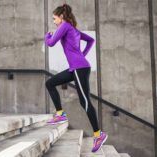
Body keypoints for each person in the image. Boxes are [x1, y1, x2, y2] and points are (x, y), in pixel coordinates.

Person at [44, 3, 108, 153]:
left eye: (54, 19)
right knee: (50, 83)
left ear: (61, 17)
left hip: (79, 68)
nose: (54, 22)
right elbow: (91, 41)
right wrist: (82, 56)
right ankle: (60, 114)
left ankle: (98, 134)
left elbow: (51, 43)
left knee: (84, 101)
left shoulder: (65, 26)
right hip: (76, 68)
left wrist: (47, 35)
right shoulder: (73, 29)